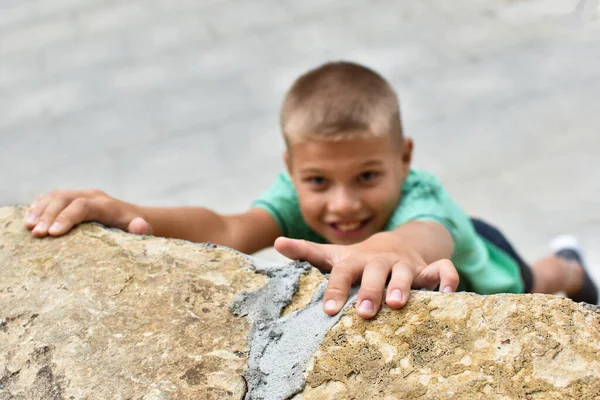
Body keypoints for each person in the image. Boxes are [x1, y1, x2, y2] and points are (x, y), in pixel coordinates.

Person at [23, 61, 598, 319]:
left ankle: (573, 265)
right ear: (290, 168)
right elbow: (226, 228)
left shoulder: (421, 197)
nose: (342, 205)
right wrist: (129, 211)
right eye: (318, 181)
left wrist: (393, 248)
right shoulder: (292, 201)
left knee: (537, 282)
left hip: (480, 268)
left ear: (405, 158)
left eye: (368, 177)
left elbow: (424, 236)